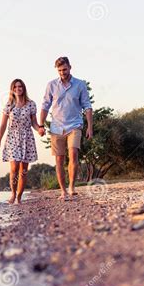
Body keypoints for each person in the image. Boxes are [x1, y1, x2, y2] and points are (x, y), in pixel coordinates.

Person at [38, 57, 93, 201]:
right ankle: (63, 191)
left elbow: (87, 106)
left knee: (73, 153)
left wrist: (90, 127)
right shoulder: (51, 85)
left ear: (70, 67)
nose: (62, 72)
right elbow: (44, 106)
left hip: (74, 125)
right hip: (56, 127)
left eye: (65, 69)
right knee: (59, 160)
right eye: (60, 70)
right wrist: (41, 125)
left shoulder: (80, 84)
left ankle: (72, 187)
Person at [0, 79, 41, 204]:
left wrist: (39, 129)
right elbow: (3, 125)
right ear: (12, 89)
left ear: (23, 88)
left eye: (20, 87)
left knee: (23, 171)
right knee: (14, 167)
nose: (18, 89)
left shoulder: (31, 104)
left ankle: (19, 197)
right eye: (15, 87)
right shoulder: (9, 105)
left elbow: (34, 123)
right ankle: (13, 194)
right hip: (12, 137)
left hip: (27, 137)